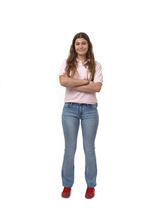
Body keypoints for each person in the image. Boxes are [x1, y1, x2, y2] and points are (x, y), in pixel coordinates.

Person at [59, 32, 103, 199]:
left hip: (90, 111)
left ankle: (90, 185)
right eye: (77, 44)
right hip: (69, 109)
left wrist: (73, 83)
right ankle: (67, 185)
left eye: (83, 43)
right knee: (70, 149)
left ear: (88, 45)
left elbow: (97, 87)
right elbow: (63, 82)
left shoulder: (96, 65)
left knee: (89, 149)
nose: (80, 46)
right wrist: (86, 82)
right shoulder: (67, 63)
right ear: (74, 46)